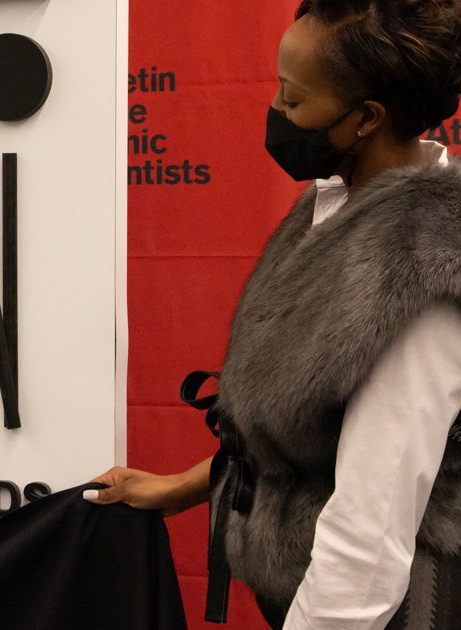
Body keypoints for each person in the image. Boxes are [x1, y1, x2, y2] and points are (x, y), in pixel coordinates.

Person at [87, 0, 461, 627]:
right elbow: (311, 436)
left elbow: (367, 538)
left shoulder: (418, 272)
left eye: (293, 100)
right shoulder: (338, 204)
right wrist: (183, 487)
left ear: (365, 118)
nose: (277, 112)